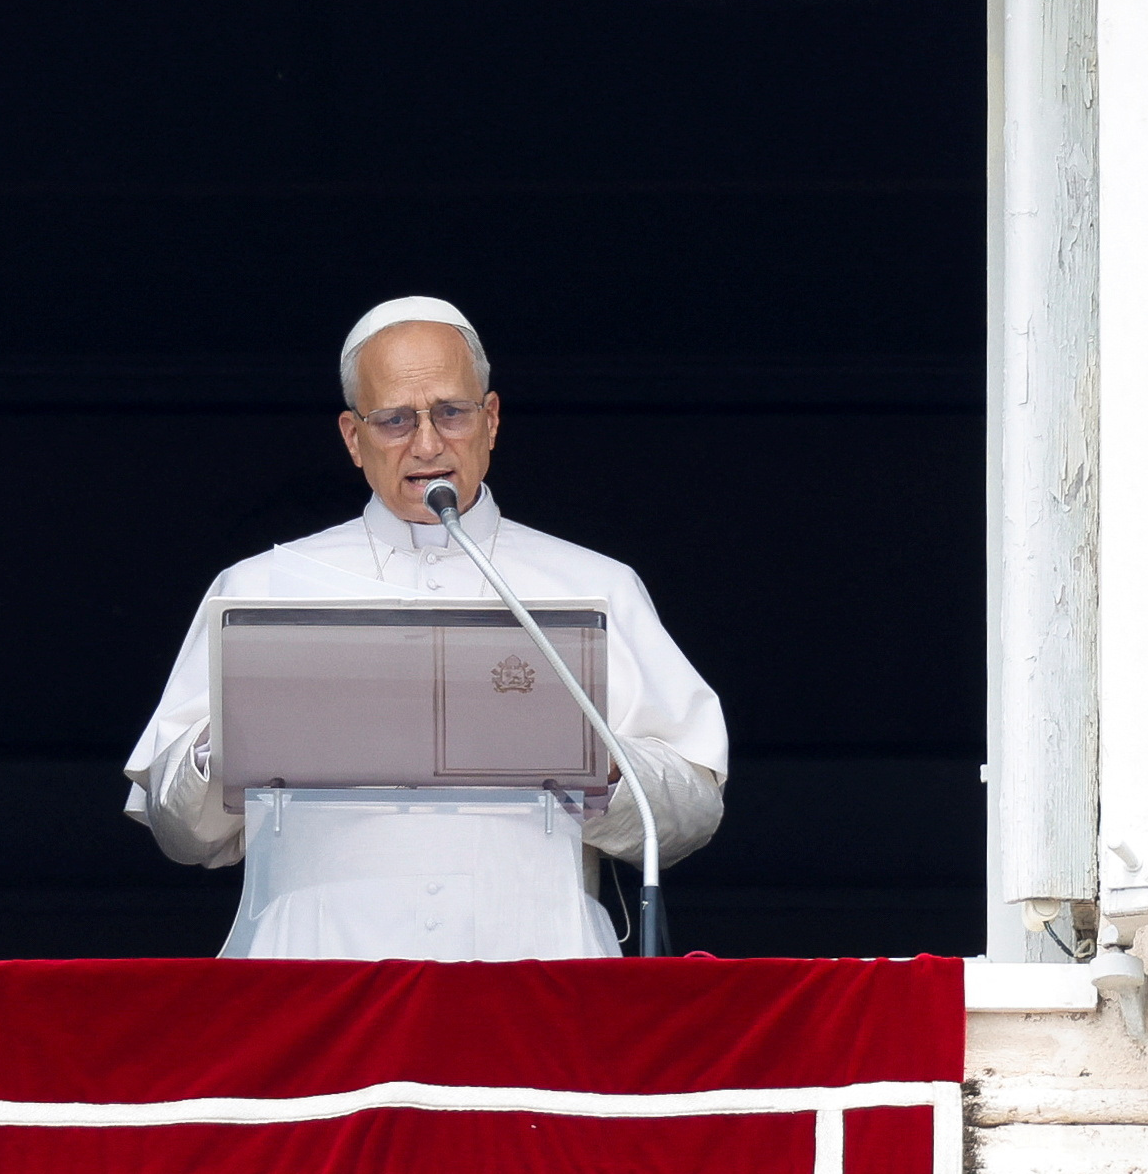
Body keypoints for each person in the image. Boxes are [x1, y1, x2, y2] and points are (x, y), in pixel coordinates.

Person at [125, 296, 726, 958]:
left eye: (451, 412)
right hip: (316, 963)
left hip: (538, 961)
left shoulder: (594, 584)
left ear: (490, 420)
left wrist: (601, 764)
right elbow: (180, 835)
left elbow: (687, 821)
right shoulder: (259, 588)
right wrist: (233, 744)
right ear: (353, 438)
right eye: (394, 420)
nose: (428, 443)